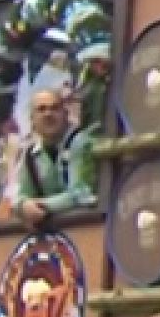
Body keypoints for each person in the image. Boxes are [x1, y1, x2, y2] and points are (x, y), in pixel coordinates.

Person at [16, 89, 97, 232]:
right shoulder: (30, 155)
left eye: (54, 108)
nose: (48, 114)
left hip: (89, 228)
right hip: (55, 237)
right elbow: (22, 195)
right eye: (41, 109)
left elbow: (80, 195)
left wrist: (41, 205)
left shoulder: (80, 142)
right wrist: (23, 206)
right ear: (32, 120)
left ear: (66, 114)